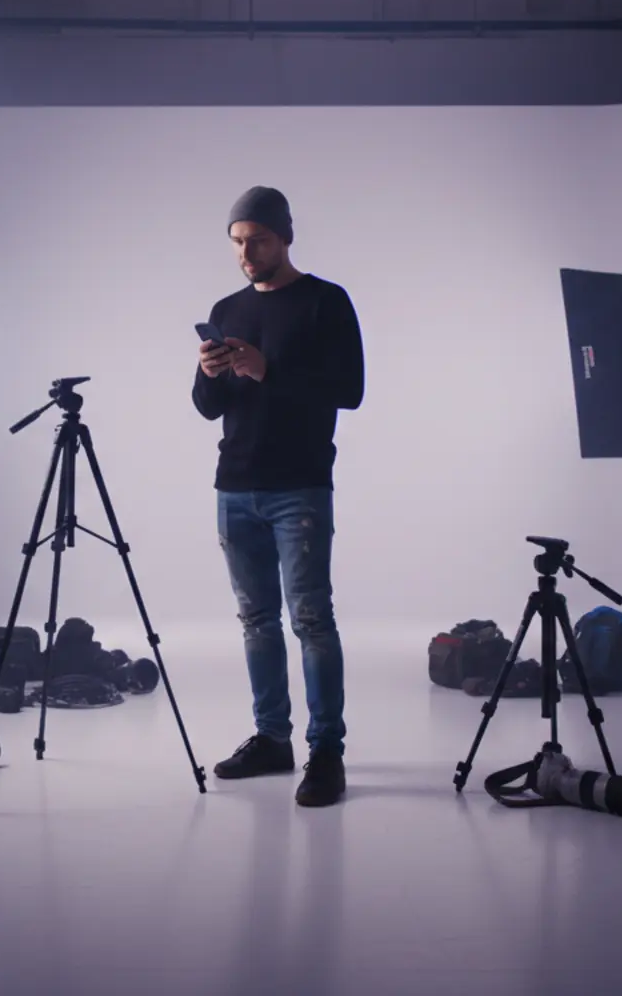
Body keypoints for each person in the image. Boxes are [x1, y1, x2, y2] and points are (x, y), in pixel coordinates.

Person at [191, 186, 365, 808]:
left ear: (285, 236)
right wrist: (212, 376)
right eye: (237, 242)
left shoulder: (325, 301)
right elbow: (207, 406)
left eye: (257, 240)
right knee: (256, 621)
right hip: (234, 487)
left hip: (300, 487)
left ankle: (327, 753)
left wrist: (270, 371)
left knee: (311, 620)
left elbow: (350, 390)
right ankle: (272, 739)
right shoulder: (227, 307)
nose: (246, 252)